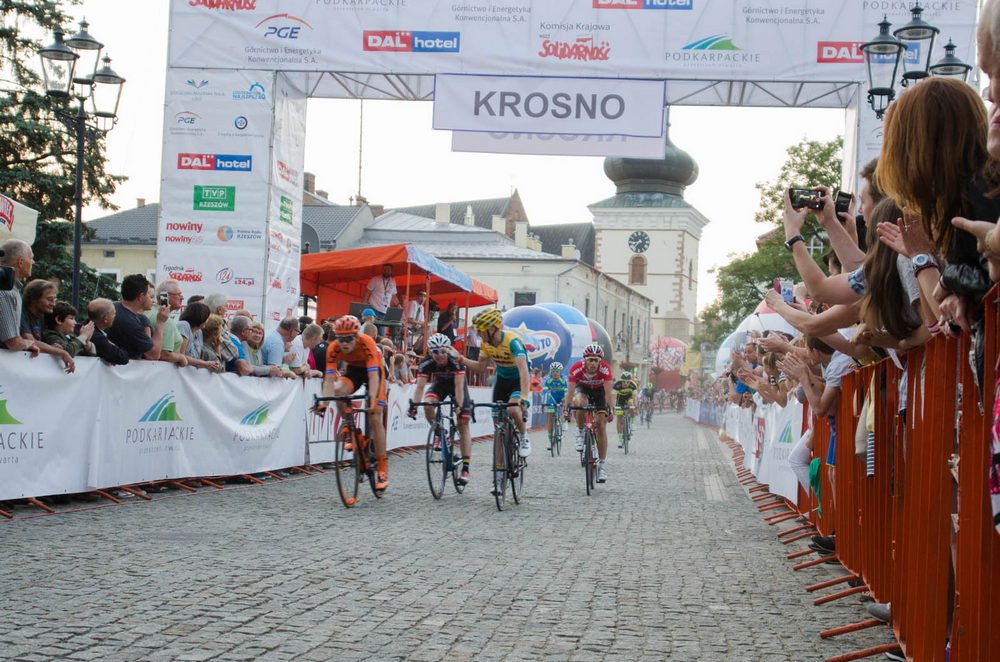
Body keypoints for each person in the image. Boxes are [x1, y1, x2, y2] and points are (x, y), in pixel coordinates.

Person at [314, 315, 390, 491]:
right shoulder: (334, 348)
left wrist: (372, 399)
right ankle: (350, 429)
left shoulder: (367, 342)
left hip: (374, 371)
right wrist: (324, 404)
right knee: (339, 391)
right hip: (354, 370)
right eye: (340, 338)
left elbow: (373, 377)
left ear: (356, 337)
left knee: (375, 417)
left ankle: (382, 468)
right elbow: (329, 380)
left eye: (348, 338)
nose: (344, 343)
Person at [460, 309, 533, 486]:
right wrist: (461, 359)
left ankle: (523, 436)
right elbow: (480, 368)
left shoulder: (513, 341)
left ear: (491, 328)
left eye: (480, 330)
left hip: (518, 380)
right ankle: (499, 473)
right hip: (502, 381)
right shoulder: (486, 345)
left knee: (513, 409)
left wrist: (524, 397)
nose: (478, 334)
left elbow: (524, 371)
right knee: (499, 430)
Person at [408, 333, 474, 485]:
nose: (440, 355)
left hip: (457, 387)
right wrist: (414, 406)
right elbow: (419, 387)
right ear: (430, 352)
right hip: (440, 386)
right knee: (428, 404)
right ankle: (439, 432)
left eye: (443, 351)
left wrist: (458, 406)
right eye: (436, 352)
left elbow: (459, 387)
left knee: (463, 423)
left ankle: (465, 469)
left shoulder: (455, 361)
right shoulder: (426, 363)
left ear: (448, 350)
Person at [568, 343, 614, 483]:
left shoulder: (605, 369)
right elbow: (570, 392)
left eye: (596, 360)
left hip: (599, 392)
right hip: (583, 389)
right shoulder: (576, 368)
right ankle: (581, 432)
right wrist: (566, 408)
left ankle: (602, 466)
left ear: (600, 361)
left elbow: (608, 392)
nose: (593, 363)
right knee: (580, 403)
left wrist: (610, 409)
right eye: (590, 360)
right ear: (585, 360)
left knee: (601, 425)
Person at [107, 274, 169, 360]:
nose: (152, 300)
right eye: (149, 295)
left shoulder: (110, 306)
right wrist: (160, 322)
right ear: (141, 297)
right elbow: (153, 355)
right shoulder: (130, 323)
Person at [19, 279, 75, 372]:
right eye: (50, 299)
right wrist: (62, 352)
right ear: (34, 299)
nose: (53, 304)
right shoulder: (21, 313)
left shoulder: (41, 315)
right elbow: (30, 342)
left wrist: (51, 348)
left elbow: (38, 344)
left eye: (54, 299)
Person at [0, 239, 38, 355]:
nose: (33, 262)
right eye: (31, 258)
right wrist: (29, 344)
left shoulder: (10, 289)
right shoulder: (7, 292)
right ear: (21, 262)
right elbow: (13, 342)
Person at [146, 279, 188, 367]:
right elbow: (164, 355)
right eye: (179, 294)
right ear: (165, 296)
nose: (182, 298)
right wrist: (181, 357)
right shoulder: (165, 319)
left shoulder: (148, 311)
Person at [176, 302, 219, 371]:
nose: (207, 321)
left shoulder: (199, 332)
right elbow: (180, 356)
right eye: (207, 317)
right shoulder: (184, 325)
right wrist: (206, 364)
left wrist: (210, 365)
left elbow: (196, 359)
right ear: (201, 316)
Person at [86, 298, 129, 365]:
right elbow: (123, 358)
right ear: (105, 319)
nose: (115, 316)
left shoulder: (83, 326)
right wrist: (112, 345)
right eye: (113, 313)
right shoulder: (97, 338)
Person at [541, 362, 568, 450]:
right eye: (553, 371)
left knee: (565, 402)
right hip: (552, 398)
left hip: (562, 397)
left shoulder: (564, 379)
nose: (555, 373)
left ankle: (564, 420)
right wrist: (543, 403)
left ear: (560, 372)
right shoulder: (547, 379)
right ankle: (550, 440)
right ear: (551, 372)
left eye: (557, 371)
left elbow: (567, 393)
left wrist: (566, 403)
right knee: (550, 416)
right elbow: (545, 392)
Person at [612, 370, 639, 448]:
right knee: (619, 421)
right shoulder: (617, 385)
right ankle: (620, 440)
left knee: (631, 405)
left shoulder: (633, 385)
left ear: (630, 381)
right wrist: (613, 406)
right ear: (621, 380)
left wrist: (635, 406)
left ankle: (632, 422)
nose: (625, 383)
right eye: (623, 381)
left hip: (629, 398)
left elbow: (634, 397)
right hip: (620, 400)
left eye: (627, 382)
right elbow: (613, 397)